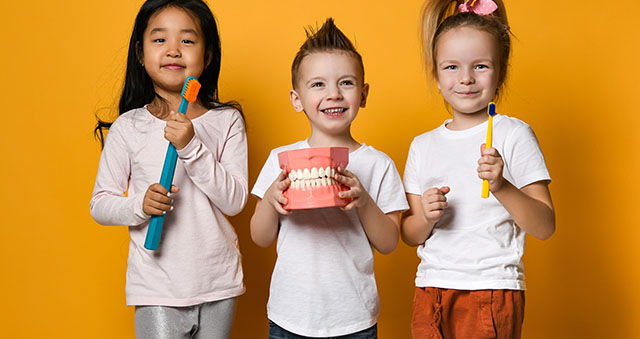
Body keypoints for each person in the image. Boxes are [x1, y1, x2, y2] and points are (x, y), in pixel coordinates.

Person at [89, 1, 247, 338]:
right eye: (160, 40)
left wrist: (191, 146)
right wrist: (139, 205)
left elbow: (234, 201)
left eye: (188, 41)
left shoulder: (226, 121)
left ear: (207, 56)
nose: (174, 50)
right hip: (156, 285)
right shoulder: (128, 127)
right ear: (140, 53)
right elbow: (100, 204)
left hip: (219, 283)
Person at [401, 1, 556, 338]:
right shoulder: (422, 146)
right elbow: (410, 234)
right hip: (431, 290)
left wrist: (502, 186)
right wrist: (426, 216)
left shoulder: (514, 134)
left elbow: (544, 225)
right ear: (436, 75)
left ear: (500, 71)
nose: (466, 78)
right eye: (452, 67)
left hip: (491, 288)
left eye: (481, 66)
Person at [250, 18, 408, 338]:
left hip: (354, 318)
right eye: (318, 84)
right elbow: (260, 237)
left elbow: (390, 242)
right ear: (297, 99)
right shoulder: (280, 161)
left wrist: (363, 202)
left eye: (346, 83)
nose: (334, 94)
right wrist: (270, 201)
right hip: (289, 316)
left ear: (363, 94)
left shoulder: (378, 165)